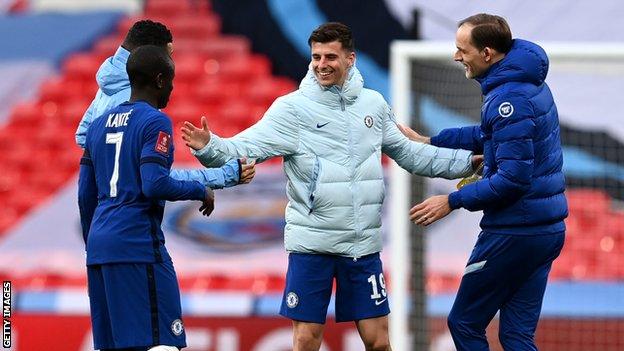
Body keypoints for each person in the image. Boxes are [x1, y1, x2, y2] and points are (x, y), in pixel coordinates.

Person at [181, 22, 480, 351]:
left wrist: (466, 164)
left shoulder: (373, 105)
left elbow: (410, 154)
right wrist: (209, 147)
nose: (321, 64)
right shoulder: (292, 110)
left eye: (330, 57)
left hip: (361, 246)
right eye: (316, 57)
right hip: (312, 246)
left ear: (350, 58)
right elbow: (244, 148)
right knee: (307, 340)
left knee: (379, 341)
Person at [401, 13, 568, 350]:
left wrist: (451, 201)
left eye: (463, 49)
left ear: (488, 53)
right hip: (543, 228)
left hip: (515, 232)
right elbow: (489, 134)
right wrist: (432, 140)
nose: (456, 56)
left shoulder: (509, 100)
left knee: (464, 322)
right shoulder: (524, 82)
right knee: (516, 335)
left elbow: (512, 180)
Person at [78, 45, 210, 351]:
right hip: (137, 246)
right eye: (172, 81)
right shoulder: (155, 122)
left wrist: (96, 243)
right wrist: (200, 190)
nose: (173, 89)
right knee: (162, 342)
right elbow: (153, 184)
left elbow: (85, 195)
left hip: (100, 249)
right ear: (161, 79)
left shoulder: (96, 127)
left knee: (115, 346)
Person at [75, 19, 255, 188]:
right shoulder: (139, 101)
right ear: (150, 56)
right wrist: (223, 176)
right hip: (131, 209)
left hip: (106, 204)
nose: (170, 64)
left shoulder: (108, 85)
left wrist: (107, 164)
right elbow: (157, 178)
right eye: (168, 56)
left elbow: (83, 136)